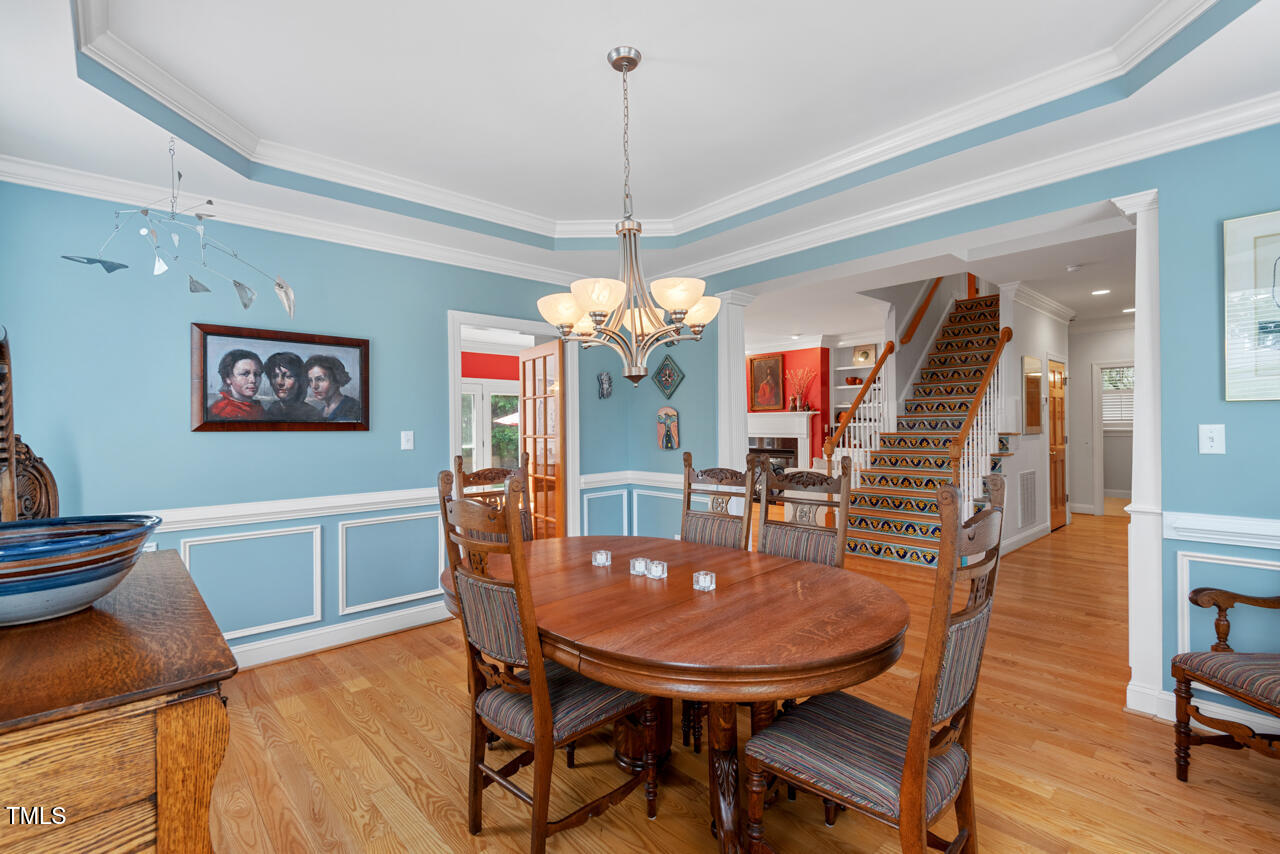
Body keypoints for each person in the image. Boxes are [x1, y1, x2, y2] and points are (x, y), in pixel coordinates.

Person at [209, 349, 265, 419]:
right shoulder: (220, 412)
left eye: (257, 374)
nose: (253, 380)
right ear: (228, 378)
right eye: (245, 374)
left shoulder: (258, 408)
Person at [264, 352, 320, 421]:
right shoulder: (272, 409)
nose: (280, 382)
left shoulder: (312, 415)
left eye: (288, 376)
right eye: (275, 376)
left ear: (300, 380)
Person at [304, 354, 362, 421]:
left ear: (337, 379)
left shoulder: (354, 408)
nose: (314, 386)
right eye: (310, 380)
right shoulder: (320, 412)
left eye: (320, 379)